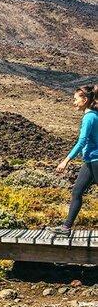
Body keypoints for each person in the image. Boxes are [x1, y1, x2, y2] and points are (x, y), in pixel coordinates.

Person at [47, 85, 98, 236]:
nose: (74, 102)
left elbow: (81, 142)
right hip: (90, 161)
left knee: (77, 192)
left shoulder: (89, 117)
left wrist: (66, 161)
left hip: (96, 160)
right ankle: (66, 227)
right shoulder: (93, 115)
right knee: (77, 191)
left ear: (85, 99)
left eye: (76, 99)